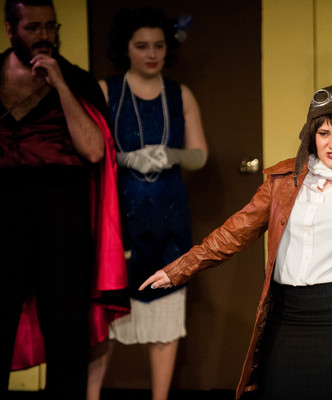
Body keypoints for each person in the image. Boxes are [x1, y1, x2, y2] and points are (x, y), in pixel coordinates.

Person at [142, 84, 332, 400]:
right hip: (288, 322)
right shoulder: (283, 182)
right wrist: (180, 268)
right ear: (311, 136)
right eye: (324, 133)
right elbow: (234, 233)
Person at [0, 0, 126, 398]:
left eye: (51, 27)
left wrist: (61, 86)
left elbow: (94, 150)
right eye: (33, 27)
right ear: (10, 29)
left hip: (62, 219)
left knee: (66, 337)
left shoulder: (76, 79)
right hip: (4, 218)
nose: (44, 36)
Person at [87, 7, 207, 400]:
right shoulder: (106, 90)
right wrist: (124, 159)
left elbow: (199, 155)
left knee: (165, 315)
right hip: (118, 218)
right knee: (107, 316)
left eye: (158, 45)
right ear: (126, 48)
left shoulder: (180, 93)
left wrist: (171, 155)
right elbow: (90, 149)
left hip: (169, 217)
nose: (151, 54)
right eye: (142, 46)